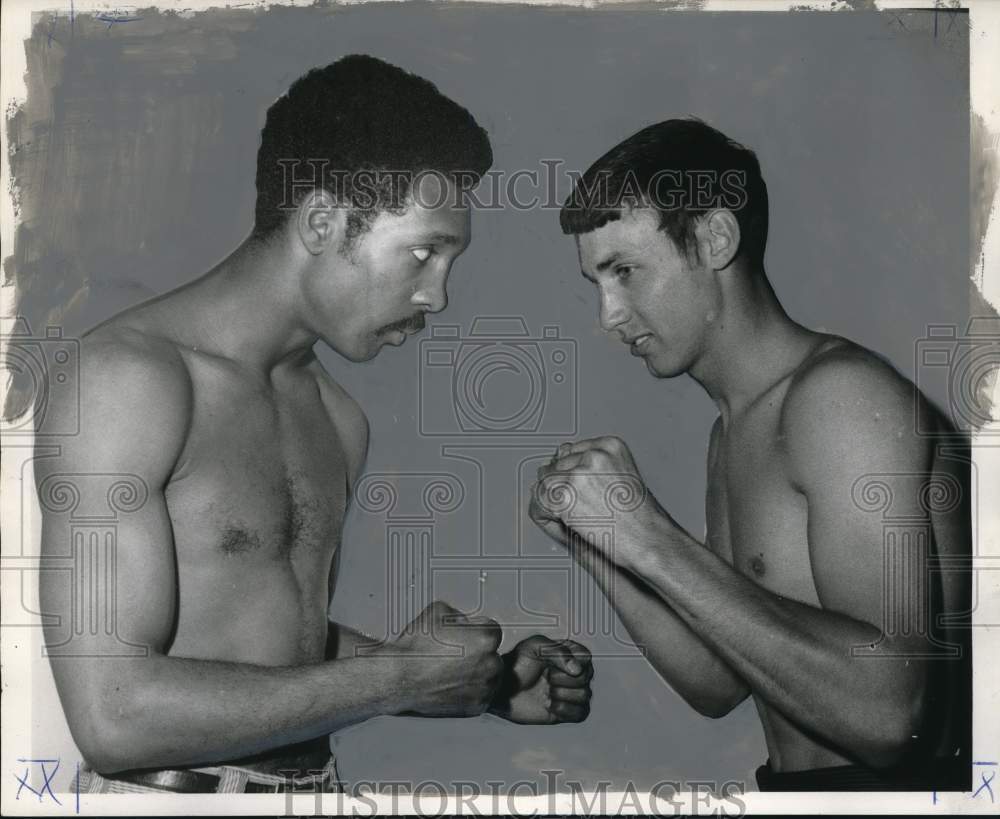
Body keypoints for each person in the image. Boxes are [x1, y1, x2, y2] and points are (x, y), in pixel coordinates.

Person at [37, 55, 592, 796]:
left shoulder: (336, 415)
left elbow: (272, 641)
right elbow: (113, 716)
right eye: (424, 252)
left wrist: (480, 684)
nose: (438, 295)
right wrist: (398, 677)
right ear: (324, 221)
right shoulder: (125, 381)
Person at [530, 118, 970, 791]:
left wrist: (647, 536)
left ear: (714, 238)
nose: (609, 315)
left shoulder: (838, 398)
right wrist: (594, 542)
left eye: (624, 272)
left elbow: (890, 717)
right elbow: (718, 680)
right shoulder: (736, 427)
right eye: (597, 282)